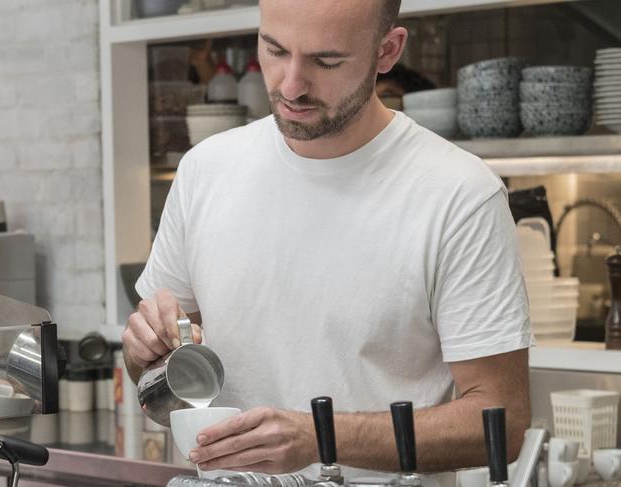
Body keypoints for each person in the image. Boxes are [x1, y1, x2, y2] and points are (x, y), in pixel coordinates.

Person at [123, 0, 532, 485]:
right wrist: (143, 352)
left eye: (327, 61)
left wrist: (320, 437)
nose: (292, 85)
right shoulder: (205, 171)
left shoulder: (459, 195)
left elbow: (501, 423)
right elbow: (157, 382)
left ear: (388, 50)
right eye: (274, 51)